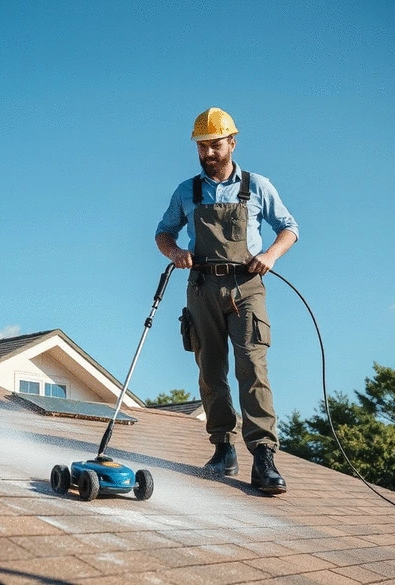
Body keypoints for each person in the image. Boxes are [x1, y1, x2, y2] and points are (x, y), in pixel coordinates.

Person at [155, 107, 298, 494]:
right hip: (202, 287)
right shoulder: (187, 191)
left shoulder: (257, 186)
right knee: (210, 370)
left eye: (215, 144)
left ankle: (264, 455)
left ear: (232, 142)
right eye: (202, 146)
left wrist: (269, 255)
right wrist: (175, 254)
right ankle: (223, 449)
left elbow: (289, 228)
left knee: (252, 365)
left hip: (246, 286)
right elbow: (164, 233)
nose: (208, 152)